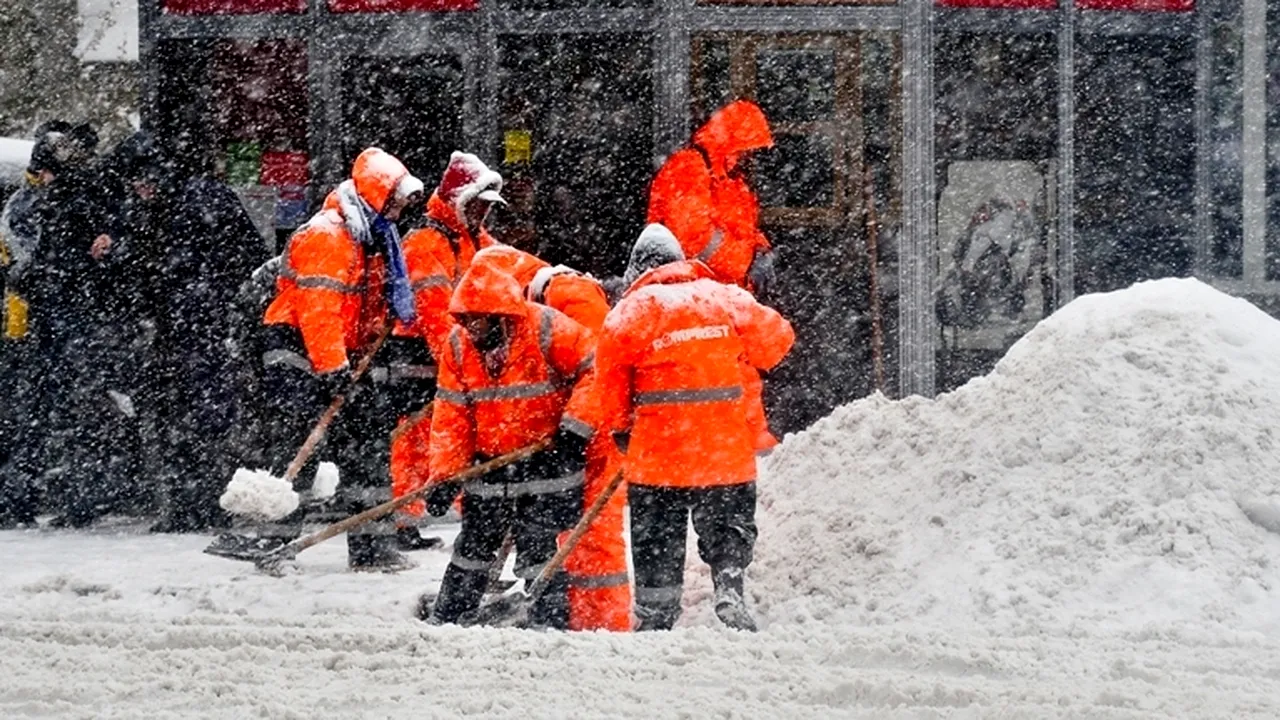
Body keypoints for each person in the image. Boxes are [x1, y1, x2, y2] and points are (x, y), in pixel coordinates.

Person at [207, 147, 424, 571]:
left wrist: (364, 350)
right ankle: (271, 541)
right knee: (296, 440)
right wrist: (333, 370)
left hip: (340, 353)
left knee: (366, 440)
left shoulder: (375, 240)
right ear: (378, 195)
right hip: (296, 347)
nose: (401, 210)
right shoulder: (327, 236)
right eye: (396, 200)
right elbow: (319, 311)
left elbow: (368, 308)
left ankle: (373, 547)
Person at [582, 224, 794, 632]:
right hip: (723, 450)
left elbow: (608, 389)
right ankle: (729, 587)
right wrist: (730, 355)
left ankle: (656, 616)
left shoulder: (630, 312)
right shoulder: (723, 298)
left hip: (659, 456)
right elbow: (778, 341)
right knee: (728, 525)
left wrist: (622, 430)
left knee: (657, 539)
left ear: (637, 269)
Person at [109, 130, 271, 532]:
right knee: (173, 418)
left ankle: (205, 503)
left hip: (204, 330)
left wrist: (220, 306)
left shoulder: (201, 200)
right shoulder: (148, 209)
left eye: (144, 176)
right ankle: (185, 504)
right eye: (132, 179)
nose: (139, 186)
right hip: (172, 332)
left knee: (206, 418)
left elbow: (245, 259)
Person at [423, 259, 594, 628]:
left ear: (500, 315)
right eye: (465, 320)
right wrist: (445, 477)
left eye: (478, 321)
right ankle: (449, 618)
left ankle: (549, 623)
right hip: (490, 465)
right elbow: (452, 418)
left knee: (538, 547)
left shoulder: (546, 327)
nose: (470, 329)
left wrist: (575, 427)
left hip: (546, 460)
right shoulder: (457, 347)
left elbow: (595, 368)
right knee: (472, 549)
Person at [646, 99, 782, 455]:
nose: (754, 158)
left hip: (722, 295)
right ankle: (733, 455)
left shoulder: (731, 179)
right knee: (718, 379)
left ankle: (747, 452)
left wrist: (762, 250)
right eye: (750, 149)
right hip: (690, 295)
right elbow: (695, 240)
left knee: (740, 376)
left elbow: (740, 229)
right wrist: (748, 259)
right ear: (736, 143)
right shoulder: (690, 169)